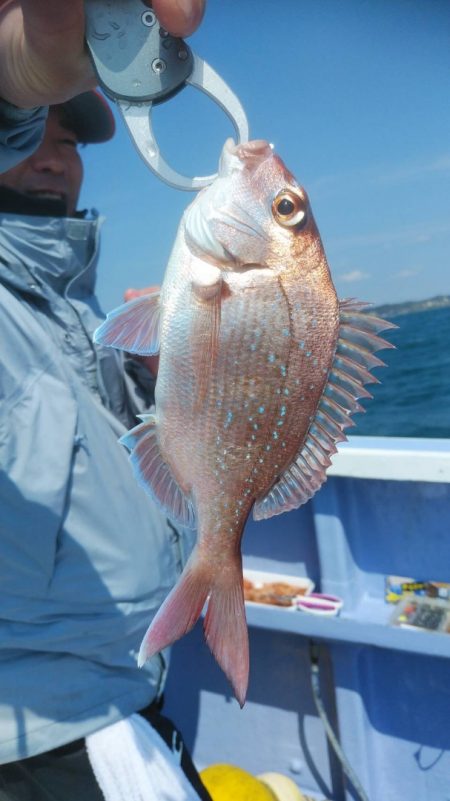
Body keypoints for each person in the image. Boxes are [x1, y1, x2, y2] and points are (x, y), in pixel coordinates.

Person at [0, 1, 211, 799]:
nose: (56, 152)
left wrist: (157, 380)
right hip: (40, 740)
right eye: (32, 130)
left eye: (73, 136)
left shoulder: (83, 313)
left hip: (126, 702)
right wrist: (8, 89)